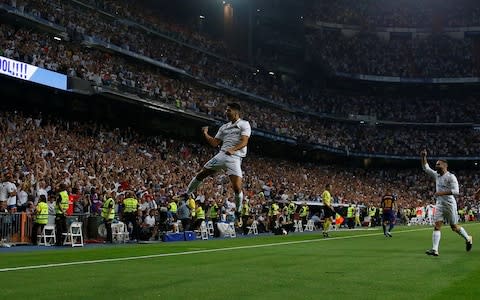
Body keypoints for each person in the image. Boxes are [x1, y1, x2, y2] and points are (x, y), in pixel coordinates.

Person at [179, 103, 251, 213]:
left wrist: (233, 149)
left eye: (229, 110)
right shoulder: (224, 127)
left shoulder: (244, 124)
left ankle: (238, 208)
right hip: (222, 154)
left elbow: (244, 141)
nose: (226, 112)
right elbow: (214, 143)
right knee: (202, 174)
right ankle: (187, 193)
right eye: (226, 110)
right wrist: (205, 133)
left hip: (235, 157)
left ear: (236, 112)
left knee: (237, 187)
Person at [420, 150, 472, 256]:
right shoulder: (436, 175)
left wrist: (441, 193)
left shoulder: (451, 177)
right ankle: (435, 250)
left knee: (454, 227)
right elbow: (426, 168)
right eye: (436, 164)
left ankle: (468, 238)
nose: (436, 166)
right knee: (437, 226)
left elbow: (456, 191)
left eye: (438, 164)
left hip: (449, 204)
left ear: (444, 165)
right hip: (439, 204)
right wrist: (424, 157)